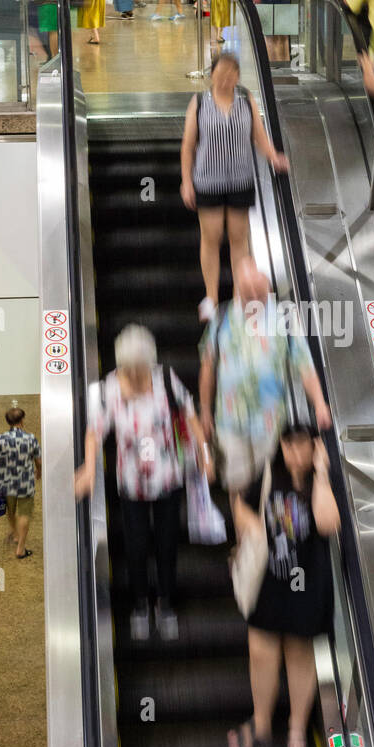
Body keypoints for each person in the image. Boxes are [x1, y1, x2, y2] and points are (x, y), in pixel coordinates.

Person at [75, 325, 210, 642]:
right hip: (132, 484)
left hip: (168, 479)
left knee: (166, 546)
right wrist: (89, 470)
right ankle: (139, 606)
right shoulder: (108, 390)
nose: (136, 375)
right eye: (130, 369)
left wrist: (205, 455)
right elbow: (94, 431)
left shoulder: (165, 379)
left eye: (141, 368)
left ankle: (165, 605)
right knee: (136, 548)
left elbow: (190, 415)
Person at [231, 424, 340, 747]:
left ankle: (296, 729)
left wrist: (321, 472)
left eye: (303, 446)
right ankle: (261, 722)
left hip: (308, 583)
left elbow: (327, 524)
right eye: (289, 445)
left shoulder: (322, 482)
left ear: (314, 447)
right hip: (270, 581)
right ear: (281, 446)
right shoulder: (268, 474)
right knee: (261, 652)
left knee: (299, 655)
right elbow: (240, 504)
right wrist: (254, 530)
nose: (295, 452)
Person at [198, 257, 332, 498]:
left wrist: (320, 403)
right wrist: (205, 410)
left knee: (266, 486)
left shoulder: (285, 318)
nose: (254, 300)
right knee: (235, 485)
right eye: (247, 294)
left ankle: (263, 531)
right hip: (229, 421)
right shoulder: (222, 317)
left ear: (268, 290)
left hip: (269, 424)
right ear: (238, 291)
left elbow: (305, 366)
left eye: (259, 294)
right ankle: (244, 532)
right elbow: (207, 368)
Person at [181, 53, 289, 321]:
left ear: (238, 76)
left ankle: (242, 295)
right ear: (212, 74)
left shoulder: (245, 99)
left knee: (240, 239)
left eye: (232, 72)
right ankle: (212, 297)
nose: (227, 77)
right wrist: (186, 181)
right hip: (208, 181)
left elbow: (258, 134)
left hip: (241, 179)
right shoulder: (199, 103)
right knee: (212, 237)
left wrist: (273, 156)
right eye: (222, 72)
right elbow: (188, 145)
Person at [0, 406, 42, 560]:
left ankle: (15, 534)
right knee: (24, 513)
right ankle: (21, 548)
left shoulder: (0, 439)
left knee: (10, 511)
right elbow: (38, 460)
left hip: (6, 482)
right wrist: (38, 471)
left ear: (8, 422)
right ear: (22, 420)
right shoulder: (31, 438)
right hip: (25, 482)